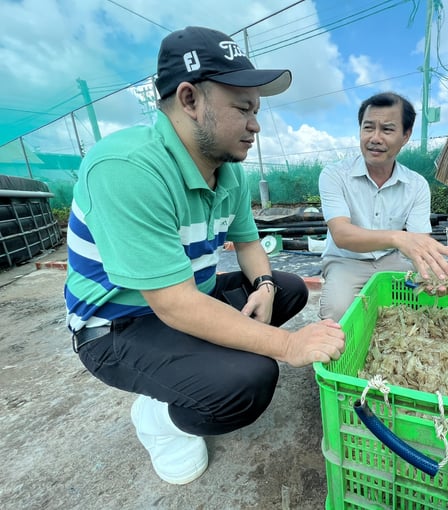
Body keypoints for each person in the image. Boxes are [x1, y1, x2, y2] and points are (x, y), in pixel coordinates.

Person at [64, 26, 345, 485]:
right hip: (118, 327)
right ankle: (160, 420)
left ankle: (196, 365)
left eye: (257, 109)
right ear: (190, 98)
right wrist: (289, 344)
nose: (255, 124)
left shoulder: (226, 171)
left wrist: (267, 287)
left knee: (288, 288)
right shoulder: (128, 168)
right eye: (242, 108)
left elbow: (250, 243)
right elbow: (172, 304)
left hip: (191, 297)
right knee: (249, 382)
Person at [318, 92, 448, 322]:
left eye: (387, 129)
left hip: (392, 259)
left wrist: (436, 276)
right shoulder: (335, 175)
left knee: (430, 311)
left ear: (405, 136)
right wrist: (397, 238)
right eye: (368, 128)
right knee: (337, 313)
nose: (375, 138)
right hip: (346, 260)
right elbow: (342, 235)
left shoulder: (416, 185)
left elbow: (417, 245)